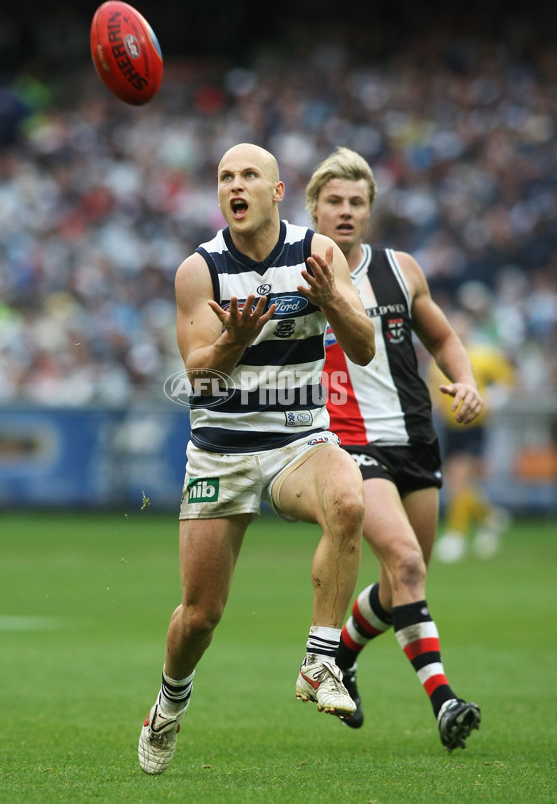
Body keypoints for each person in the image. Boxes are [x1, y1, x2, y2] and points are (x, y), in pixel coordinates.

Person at [138, 142, 376, 775]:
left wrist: (334, 302)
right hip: (222, 452)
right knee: (200, 616)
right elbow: (198, 378)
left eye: (249, 175)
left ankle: (321, 658)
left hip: (299, 441)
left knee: (350, 499)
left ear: (276, 192)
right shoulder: (200, 270)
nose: (235, 185)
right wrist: (233, 341)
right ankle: (169, 703)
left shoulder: (318, 254)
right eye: (224, 177)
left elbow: (365, 349)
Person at [305, 146, 482, 752]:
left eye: (357, 202)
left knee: (401, 583)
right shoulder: (297, 275)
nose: (346, 211)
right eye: (335, 202)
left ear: (371, 208)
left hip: (416, 439)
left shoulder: (401, 269)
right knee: (406, 564)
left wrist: (466, 380)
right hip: (348, 443)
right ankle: (444, 701)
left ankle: (344, 657)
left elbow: (443, 337)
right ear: (314, 208)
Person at [430, 305, 515, 563]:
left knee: (458, 479)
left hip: (476, 425)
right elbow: (434, 391)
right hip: (451, 426)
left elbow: (508, 381)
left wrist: (490, 400)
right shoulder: (439, 360)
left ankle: (456, 534)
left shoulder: (483, 355)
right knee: (464, 482)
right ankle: (490, 516)